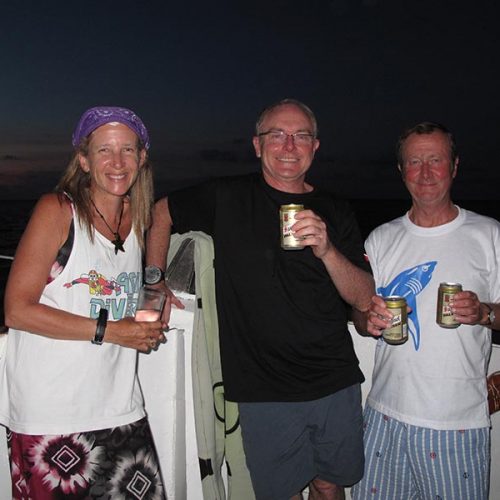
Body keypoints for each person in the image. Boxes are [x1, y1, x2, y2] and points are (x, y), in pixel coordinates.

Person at [147, 99, 375, 500]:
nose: (289, 145)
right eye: (277, 135)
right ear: (257, 145)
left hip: (333, 379)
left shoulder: (336, 209)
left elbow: (364, 297)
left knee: (329, 486)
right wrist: (155, 281)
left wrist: (327, 250)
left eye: (301, 136)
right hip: (263, 388)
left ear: (315, 146)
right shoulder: (226, 195)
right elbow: (160, 214)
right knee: (281, 492)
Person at [0, 106, 166, 498]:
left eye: (127, 150)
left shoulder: (137, 217)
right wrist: (112, 331)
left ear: (142, 158)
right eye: (104, 150)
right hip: (52, 415)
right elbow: (16, 310)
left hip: (121, 407)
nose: (117, 162)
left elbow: (111, 284)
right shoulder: (58, 210)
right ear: (84, 160)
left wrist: (156, 284)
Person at [351, 122, 500, 500]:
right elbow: (359, 313)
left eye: (436, 160)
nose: (426, 172)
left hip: (457, 425)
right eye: (415, 162)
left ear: (455, 166)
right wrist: (367, 319)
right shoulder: (381, 238)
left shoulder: (489, 234)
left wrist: (483, 312)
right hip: (383, 417)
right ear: (402, 170)